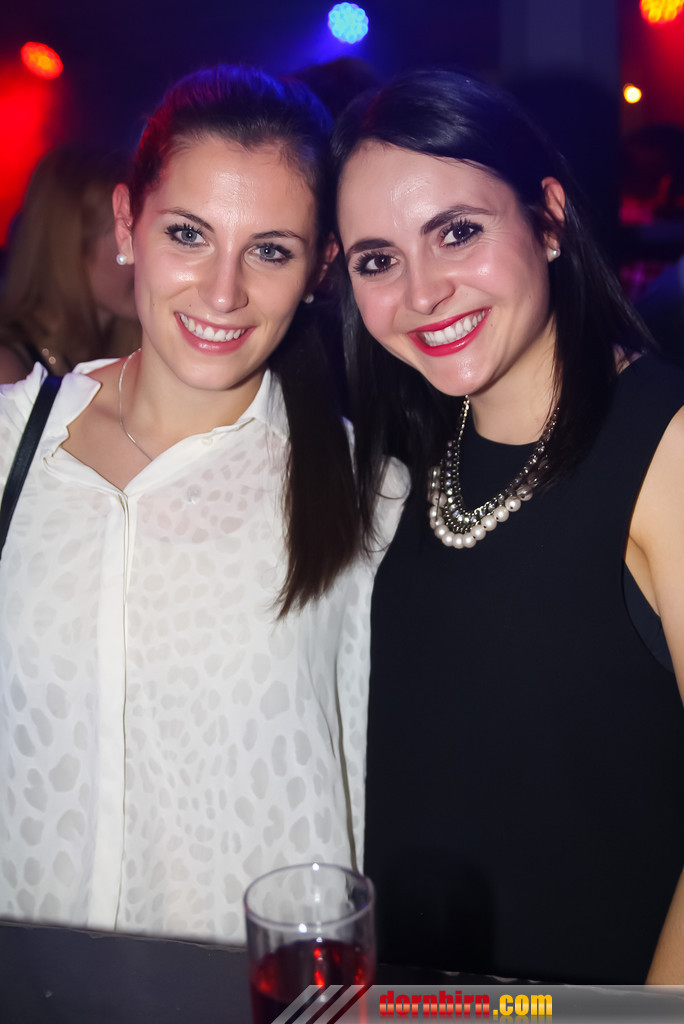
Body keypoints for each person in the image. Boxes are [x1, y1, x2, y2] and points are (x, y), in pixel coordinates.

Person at [0, 66, 403, 943]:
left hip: (262, 991)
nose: (223, 292)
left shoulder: (372, 497)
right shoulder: (8, 448)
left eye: (270, 250)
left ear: (320, 268)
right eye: (188, 234)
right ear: (126, 225)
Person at [332, 69, 684, 984]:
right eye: (377, 260)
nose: (422, 293)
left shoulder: (667, 443)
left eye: (457, 232)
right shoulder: (419, 449)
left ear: (550, 219)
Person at [0, 144, 139, 384]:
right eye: (129, 235)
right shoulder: (8, 373)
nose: (141, 255)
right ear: (70, 245)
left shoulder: (124, 358)